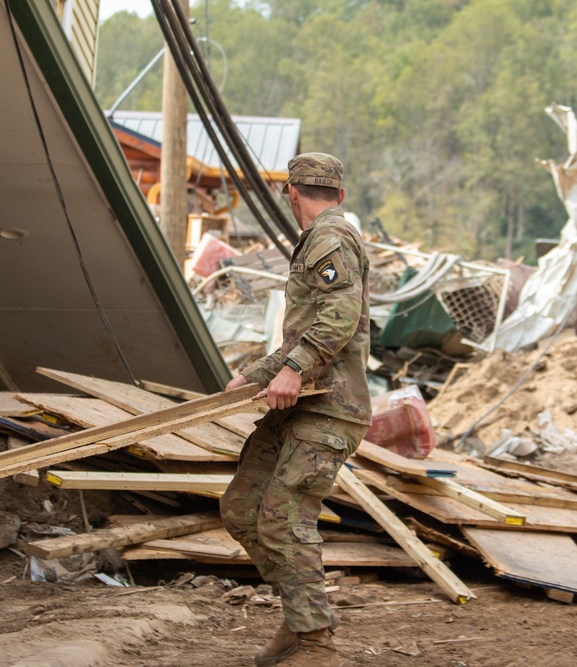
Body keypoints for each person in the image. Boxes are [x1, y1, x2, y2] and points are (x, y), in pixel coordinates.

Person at [221, 152, 371, 667]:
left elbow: (342, 313)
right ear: (339, 194)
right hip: (299, 406)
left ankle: (317, 645)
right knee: (242, 510)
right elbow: (306, 329)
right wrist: (257, 374)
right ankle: (300, 617)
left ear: (290, 193)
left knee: (284, 521)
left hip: (330, 408)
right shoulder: (318, 241)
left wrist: (294, 368)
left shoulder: (330, 239)